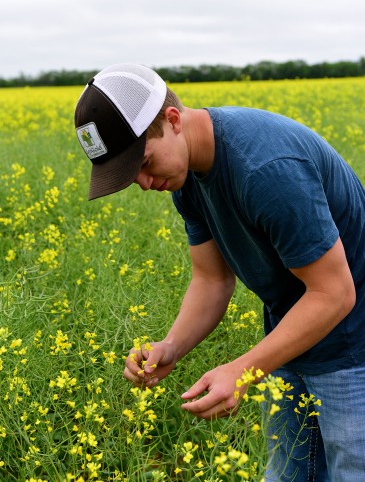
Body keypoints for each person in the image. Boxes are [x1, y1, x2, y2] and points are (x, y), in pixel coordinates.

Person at [74, 63, 365, 481]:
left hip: (354, 345)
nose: (142, 181)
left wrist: (242, 371)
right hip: (294, 330)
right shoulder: (185, 172)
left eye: (142, 162)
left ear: (172, 120)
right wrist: (172, 346)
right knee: (287, 474)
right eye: (127, 174)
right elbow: (211, 279)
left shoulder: (265, 169)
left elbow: (335, 294)